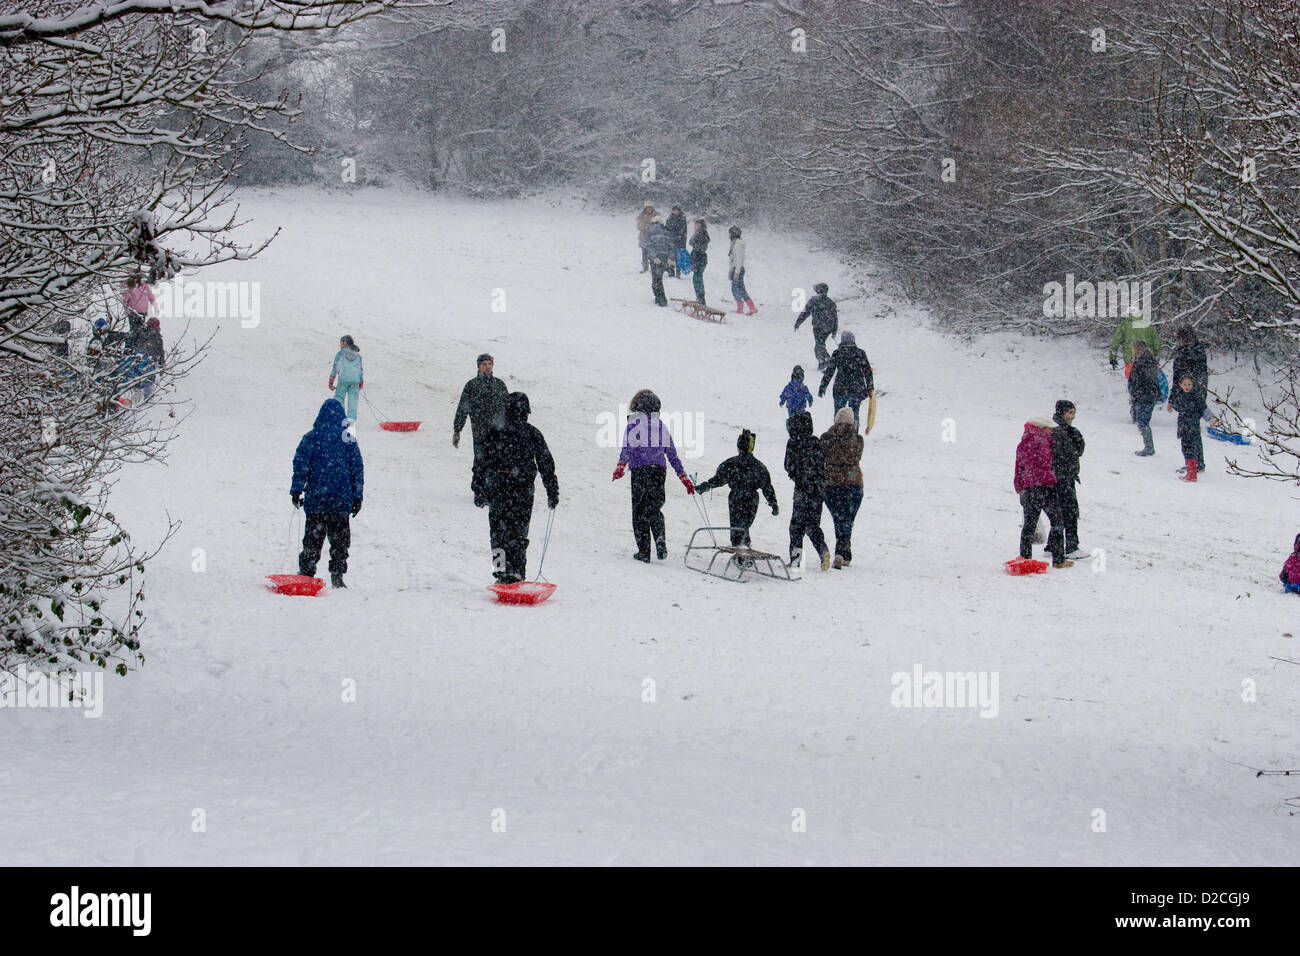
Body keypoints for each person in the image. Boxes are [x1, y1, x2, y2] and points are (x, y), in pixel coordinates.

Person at [472, 392, 558, 584]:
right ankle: (517, 572)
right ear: (526, 411)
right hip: (522, 490)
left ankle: (500, 572)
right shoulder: (532, 433)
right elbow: (546, 463)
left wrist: (478, 487)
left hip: (498, 487)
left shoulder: (494, 431)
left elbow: (480, 461)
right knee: (518, 533)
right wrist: (552, 491)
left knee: (497, 533)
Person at [612, 389, 695, 562]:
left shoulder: (634, 424)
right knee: (653, 508)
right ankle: (660, 540)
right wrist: (684, 477)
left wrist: (621, 466)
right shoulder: (661, 427)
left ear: (637, 405)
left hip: (640, 470)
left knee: (639, 512)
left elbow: (628, 447)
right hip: (659, 471)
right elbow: (672, 454)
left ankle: (644, 552)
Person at [291, 398, 364, 589]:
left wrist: (297, 489)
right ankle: (337, 575)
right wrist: (358, 496)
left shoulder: (312, 437)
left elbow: (300, 465)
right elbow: (357, 469)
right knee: (340, 543)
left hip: (317, 501)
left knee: (312, 541)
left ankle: (307, 573)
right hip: (340, 502)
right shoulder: (348, 439)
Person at [695, 429, 778, 555]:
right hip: (752, 497)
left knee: (737, 524)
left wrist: (706, 486)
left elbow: (719, 479)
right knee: (744, 525)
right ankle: (743, 549)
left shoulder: (731, 463)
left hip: (736, 497)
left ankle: (740, 549)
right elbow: (766, 486)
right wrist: (773, 502)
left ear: (738, 447)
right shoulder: (758, 466)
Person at [1013, 418, 1070, 568]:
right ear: (1041, 428)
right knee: (1057, 521)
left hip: (1028, 488)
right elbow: (1044, 466)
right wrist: (1053, 479)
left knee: (1029, 525)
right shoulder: (1042, 442)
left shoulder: (1023, 443)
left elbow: (1019, 468)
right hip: (1043, 487)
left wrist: (1020, 487)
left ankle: (1025, 557)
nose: (1051, 431)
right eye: (1049, 428)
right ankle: (1058, 559)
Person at [784, 411, 832, 571]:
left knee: (796, 526)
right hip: (817, 490)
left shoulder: (793, 443)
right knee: (812, 525)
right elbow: (822, 465)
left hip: (802, 490)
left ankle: (796, 559)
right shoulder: (815, 442)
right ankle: (823, 551)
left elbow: (788, 465)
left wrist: (797, 475)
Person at [820, 407, 864, 568]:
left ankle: (844, 552)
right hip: (853, 484)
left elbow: (825, 456)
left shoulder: (825, 438)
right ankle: (843, 551)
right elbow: (855, 456)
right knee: (847, 520)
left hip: (832, 484)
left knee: (839, 519)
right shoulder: (857, 439)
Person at [1109, 304, 1161, 421]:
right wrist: (1155, 356)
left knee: (1134, 384)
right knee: (1148, 384)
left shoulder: (1125, 324)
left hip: (1132, 361)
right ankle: (1146, 410)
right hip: (1149, 361)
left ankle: (1135, 408)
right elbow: (1157, 342)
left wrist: (1112, 356)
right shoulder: (1147, 324)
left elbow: (1116, 341)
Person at [454, 353, 508, 463]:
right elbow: (462, 409)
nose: (488, 367)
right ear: (478, 366)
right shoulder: (471, 386)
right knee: (480, 465)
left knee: (498, 466)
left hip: (499, 432)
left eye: (490, 364)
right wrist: (457, 430)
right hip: (480, 433)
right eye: (484, 364)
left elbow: (508, 407)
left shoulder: (499, 384)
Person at [817, 331, 874, 431]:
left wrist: (823, 386)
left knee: (839, 412)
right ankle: (854, 432)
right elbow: (867, 371)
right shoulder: (860, 353)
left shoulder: (837, 353)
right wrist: (870, 387)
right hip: (857, 388)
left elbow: (829, 371)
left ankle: (838, 432)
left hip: (840, 387)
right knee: (854, 412)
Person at [1050, 400, 1085, 557]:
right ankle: (1071, 546)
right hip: (1062, 477)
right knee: (1069, 511)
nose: (1073, 416)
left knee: (1060, 512)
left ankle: (1052, 546)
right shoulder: (1059, 431)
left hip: (1062, 475)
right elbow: (1072, 452)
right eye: (1070, 413)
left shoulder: (1063, 430)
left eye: (1073, 413)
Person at [1169, 373, 1206, 482]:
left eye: (1189, 384)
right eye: (1185, 384)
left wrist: (1211, 419)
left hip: (1189, 426)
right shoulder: (1182, 395)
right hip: (1187, 426)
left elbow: (1203, 408)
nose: (1187, 386)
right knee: (1190, 448)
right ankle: (1194, 469)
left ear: (1193, 384)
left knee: (1188, 448)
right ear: (1181, 385)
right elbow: (1179, 407)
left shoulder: (1193, 396)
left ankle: (1192, 474)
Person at [794, 282, 839, 370]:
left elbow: (805, 313)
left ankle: (824, 361)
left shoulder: (814, 301)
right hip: (829, 327)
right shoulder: (831, 302)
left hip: (818, 326)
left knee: (819, 344)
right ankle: (825, 360)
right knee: (820, 343)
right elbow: (835, 318)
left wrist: (798, 322)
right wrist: (834, 330)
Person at [1129, 340, 1160, 457]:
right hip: (1149, 395)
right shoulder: (1150, 361)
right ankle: (1149, 446)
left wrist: (1136, 394)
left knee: (1143, 421)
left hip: (1144, 395)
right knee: (1143, 420)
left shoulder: (1142, 363)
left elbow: (1138, 381)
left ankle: (1149, 447)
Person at [328, 335, 364, 421]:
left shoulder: (340, 354)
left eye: (341, 343)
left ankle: (340, 417)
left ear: (345, 343)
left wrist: (331, 379)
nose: (340, 346)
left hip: (343, 379)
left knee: (339, 397)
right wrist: (361, 380)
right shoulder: (358, 356)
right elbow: (360, 369)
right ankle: (351, 419)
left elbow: (335, 367)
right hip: (355, 380)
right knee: (353, 399)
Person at [643, 216, 676, 307]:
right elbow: (671, 246)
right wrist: (671, 258)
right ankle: (660, 298)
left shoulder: (650, 231)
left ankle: (660, 299)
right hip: (665, 256)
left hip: (656, 258)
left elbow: (648, 246)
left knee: (656, 279)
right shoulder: (666, 232)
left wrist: (653, 257)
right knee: (659, 277)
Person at [728, 226, 756, 315]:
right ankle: (739, 307)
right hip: (734, 269)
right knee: (734, 289)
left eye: (730, 233)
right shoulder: (733, 244)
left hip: (738, 270)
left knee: (740, 289)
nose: (729, 235)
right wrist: (730, 271)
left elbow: (739, 260)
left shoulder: (737, 245)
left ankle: (752, 307)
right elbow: (732, 259)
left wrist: (736, 272)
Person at [689, 219, 710, 304]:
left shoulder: (700, 233)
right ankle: (700, 297)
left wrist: (694, 261)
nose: (695, 226)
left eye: (697, 225)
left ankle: (700, 298)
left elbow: (698, 247)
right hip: (700, 258)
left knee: (697, 279)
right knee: (698, 278)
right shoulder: (702, 233)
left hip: (698, 258)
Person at [665, 205, 688, 278]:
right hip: (671, 240)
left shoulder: (682, 218)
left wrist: (683, 242)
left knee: (679, 257)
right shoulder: (669, 218)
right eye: (673, 210)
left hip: (680, 241)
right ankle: (671, 272)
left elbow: (682, 230)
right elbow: (667, 228)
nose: (675, 211)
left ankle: (678, 273)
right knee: (671, 257)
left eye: (676, 210)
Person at [636, 201, 657, 273]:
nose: (649, 209)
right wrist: (648, 226)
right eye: (647, 207)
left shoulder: (656, 215)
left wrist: (647, 226)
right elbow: (639, 226)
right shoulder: (641, 215)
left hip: (653, 238)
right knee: (644, 253)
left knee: (653, 253)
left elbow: (658, 224)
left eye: (650, 207)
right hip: (643, 237)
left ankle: (653, 267)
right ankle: (645, 268)